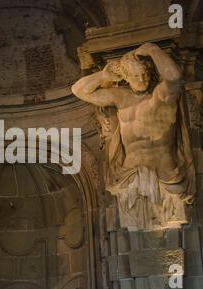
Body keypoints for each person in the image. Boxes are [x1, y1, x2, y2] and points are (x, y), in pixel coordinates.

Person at [72, 43, 195, 231]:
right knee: (131, 235)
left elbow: (175, 77)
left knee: (176, 232)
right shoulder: (121, 98)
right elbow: (79, 91)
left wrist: (153, 50)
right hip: (128, 176)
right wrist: (103, 76)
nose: (142, 79)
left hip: (164, 173)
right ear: (126, 78)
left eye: (144, 74)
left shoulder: (160, 96)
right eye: (135, 76)